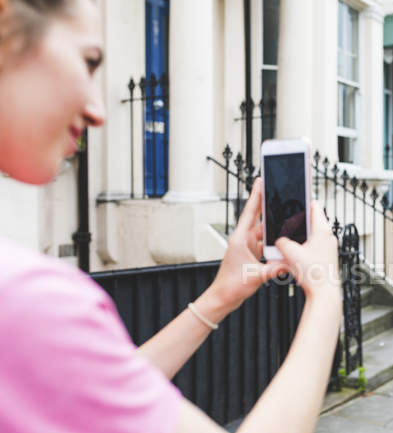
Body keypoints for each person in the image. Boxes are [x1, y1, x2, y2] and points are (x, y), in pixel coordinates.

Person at [0, 1, 342, 432]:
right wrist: (327, 293)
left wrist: (219, 297)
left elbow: (99, 393)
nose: (97, 111)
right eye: (88, 62)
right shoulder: (27, 296)